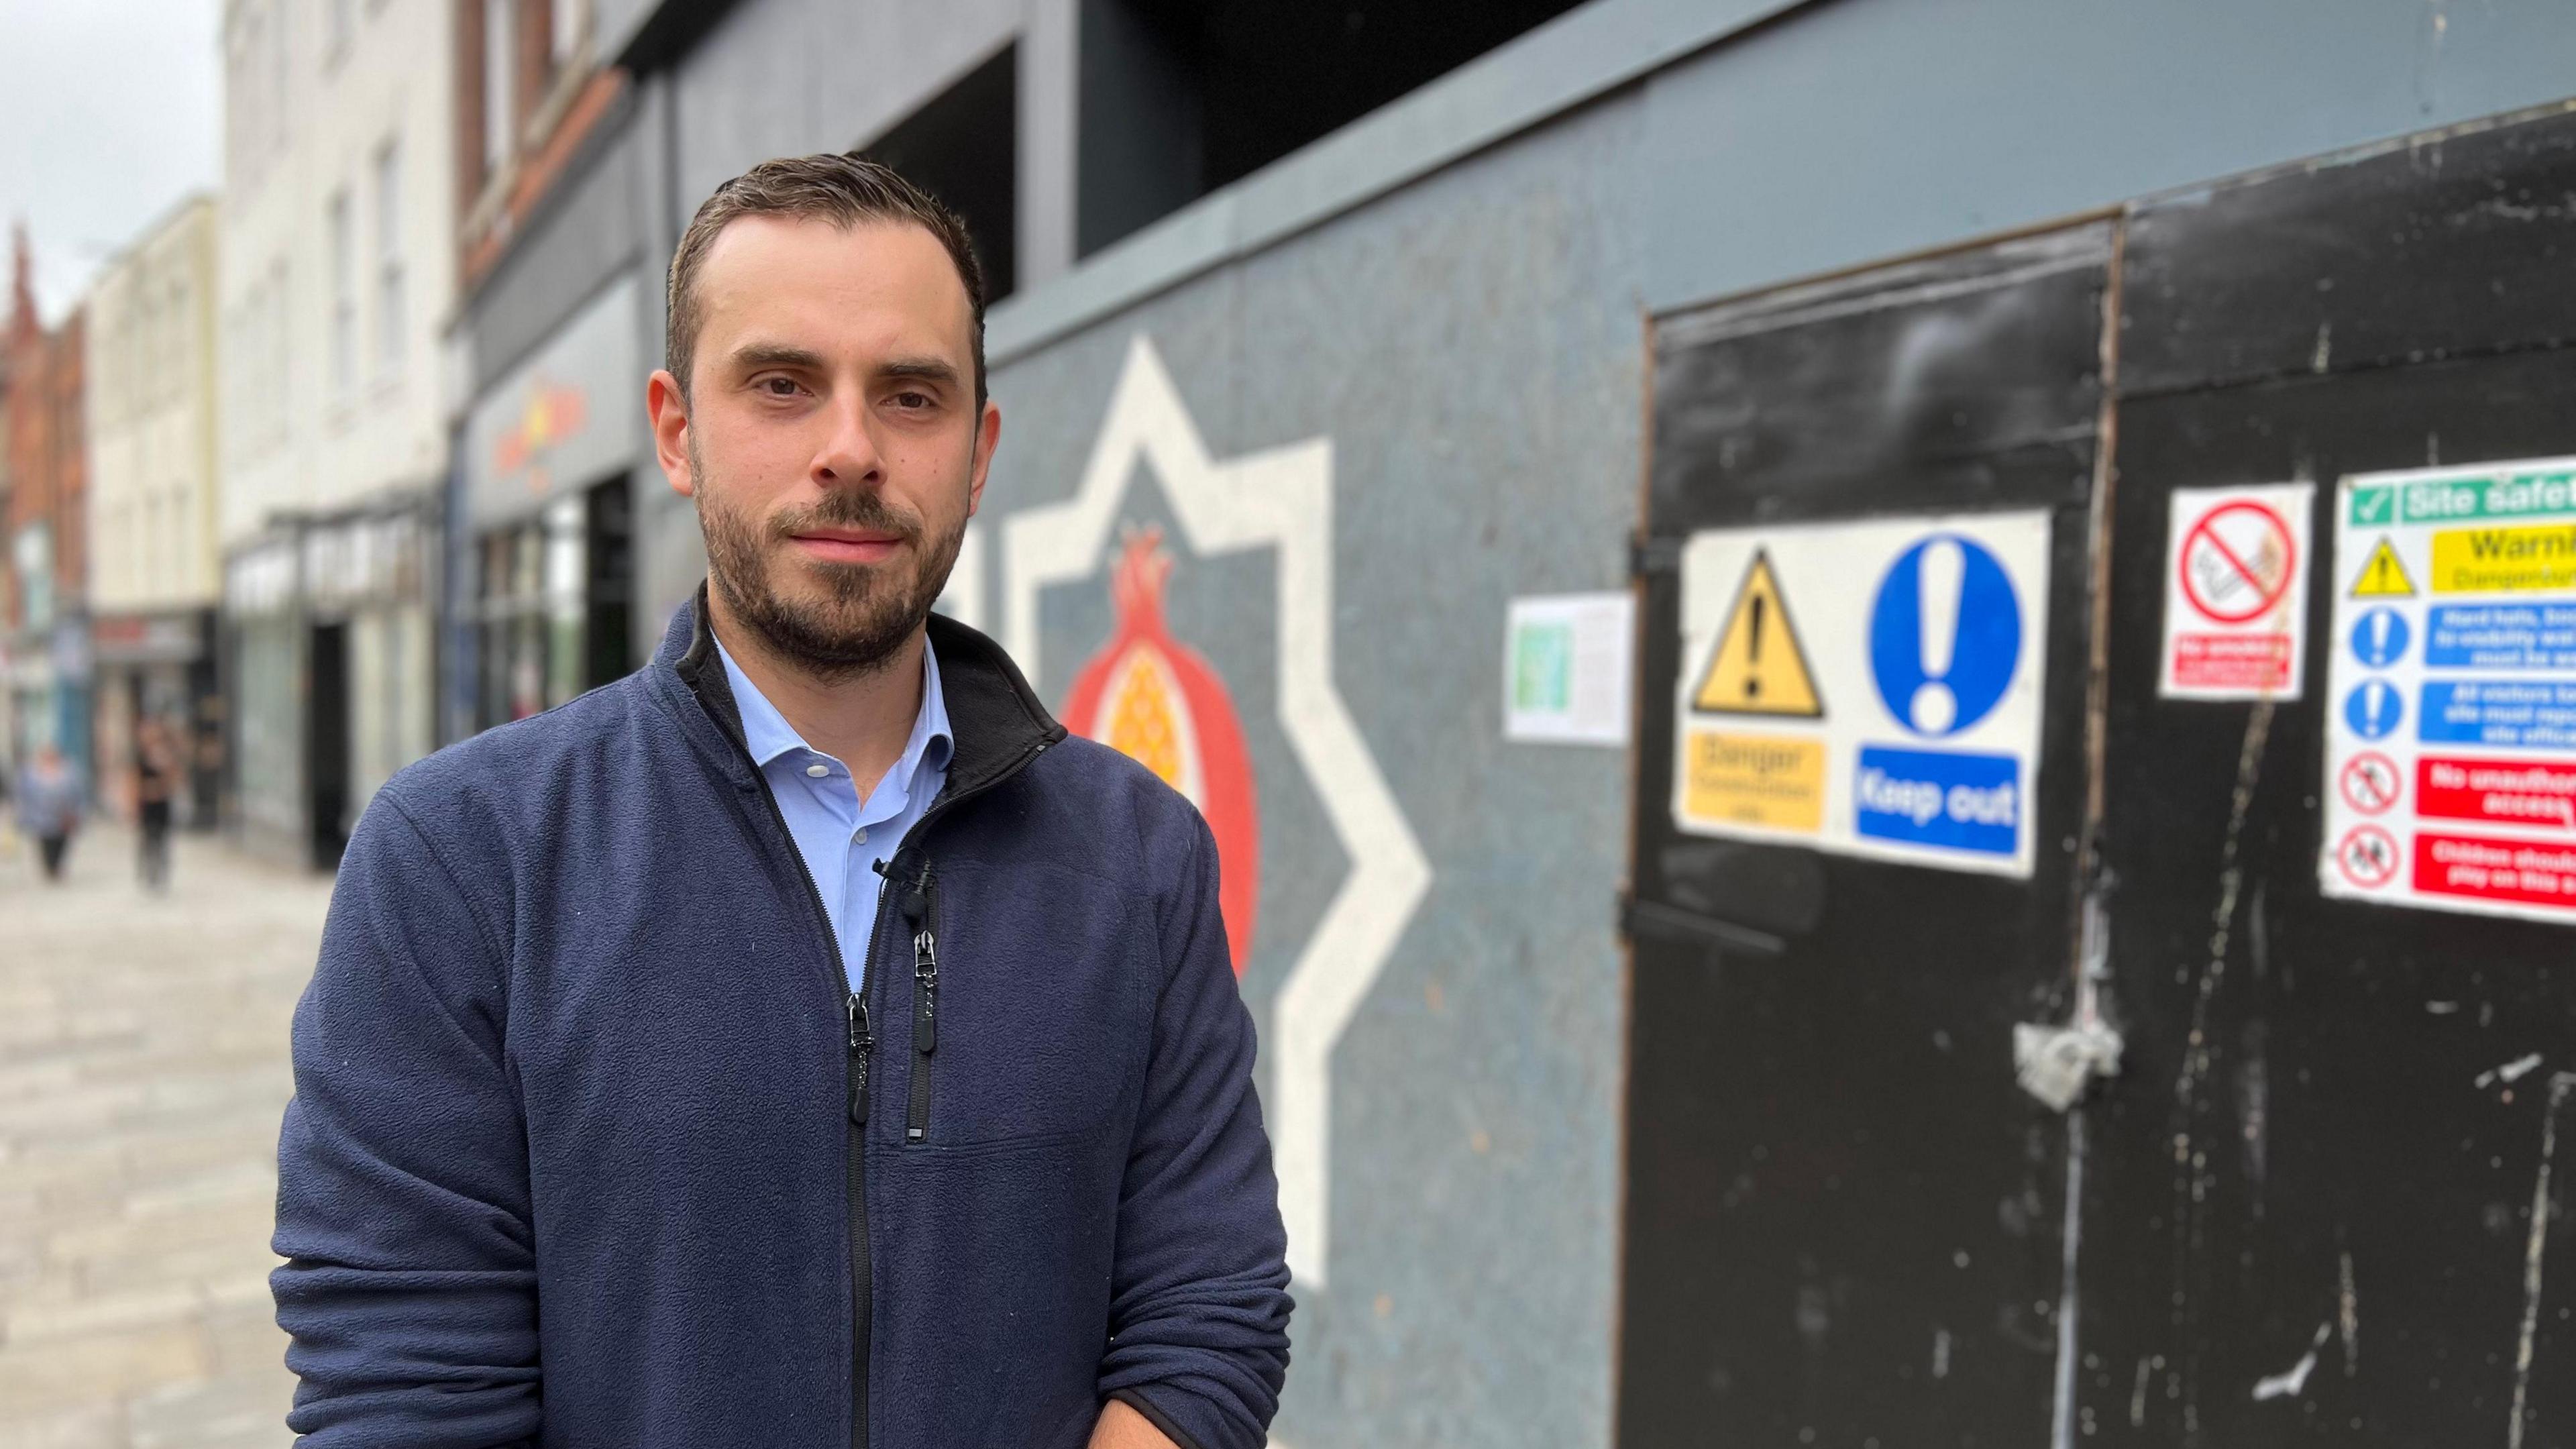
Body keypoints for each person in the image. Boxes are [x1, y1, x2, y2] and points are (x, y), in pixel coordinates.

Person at [272, 154, 1292, 1449]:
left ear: (978, 452)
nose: (851, 450)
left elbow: (1208, 1313)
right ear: (677, 431)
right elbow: (402, 1395)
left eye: (910, 395)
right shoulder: (463, 862)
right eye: (781, 385)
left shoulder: (1140, 858)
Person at [14, 743, 82, 882]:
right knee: (46, 843)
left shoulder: (69, 771)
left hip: (64, 817)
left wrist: (77, 812)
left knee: (61, 842)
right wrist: (24, 814)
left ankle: (57, 866)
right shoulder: (31, 773)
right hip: (42, 818)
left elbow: (78, 794)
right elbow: (24, 795)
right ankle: (50, 867)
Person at [134, 716, 178, 890]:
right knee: (147, 838)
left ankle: (161, 871)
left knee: (162, 839)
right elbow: (134, 780)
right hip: (146, 804)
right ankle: (148, 871)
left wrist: (163, 782)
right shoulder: (140, 756)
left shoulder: (167, 755)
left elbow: (174, 779)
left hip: (162, 804)